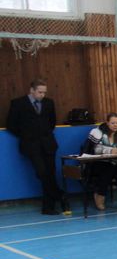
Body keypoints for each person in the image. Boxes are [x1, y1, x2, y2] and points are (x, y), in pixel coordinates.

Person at [6, 79, 70, 215]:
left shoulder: (48, 103)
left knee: (51, 174)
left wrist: (45, 134)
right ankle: (59, 195)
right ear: (32, 90)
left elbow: (52, 121)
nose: (42, 95)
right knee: (42, 173)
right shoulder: (18, 103)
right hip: (31, 144)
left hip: (48, 143)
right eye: (40, 92)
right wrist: (26, 135)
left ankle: (48, 207)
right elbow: (11, 124)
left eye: (44, 92)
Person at [87, 113, 117, 210]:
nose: (115, 125)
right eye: (113, 123)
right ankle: (100, 197)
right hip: (98, 163)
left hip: (116, 162)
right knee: (108, 169)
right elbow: (95, 149)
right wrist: (110, 150)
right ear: (107, 123)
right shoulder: (97, 132)